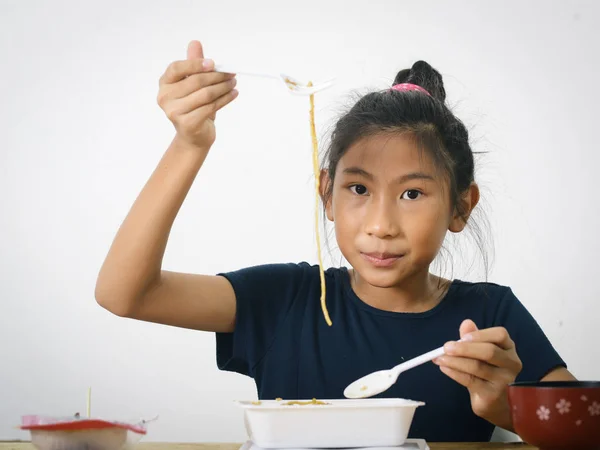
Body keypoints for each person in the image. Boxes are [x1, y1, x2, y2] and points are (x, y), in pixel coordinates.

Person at [95, 40, 576, 442]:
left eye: (412, 193)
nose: (381, 224)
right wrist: (189, 144)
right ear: (327, 193)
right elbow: (125, 293)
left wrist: (510, 410)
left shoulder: (490, 317)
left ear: (460, 207)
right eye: (359, 189)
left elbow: (584, 431)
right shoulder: (285, 301)